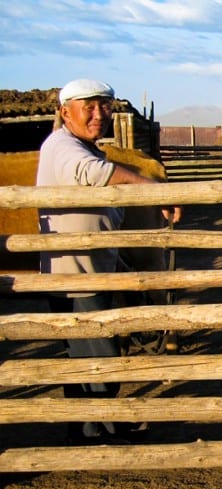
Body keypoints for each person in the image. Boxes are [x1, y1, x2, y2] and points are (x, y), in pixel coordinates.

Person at [37, 78, 181, 444]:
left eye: (104, 106)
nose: (98, 114)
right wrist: (152, 188)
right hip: (77, 273)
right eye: (89, 107)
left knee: (89, 354)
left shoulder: (82, 147)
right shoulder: (63, 146)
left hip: (92, 267)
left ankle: (95, 426)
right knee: (98, 353)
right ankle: (96, 431)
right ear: (65, 112)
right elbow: (92, 174)